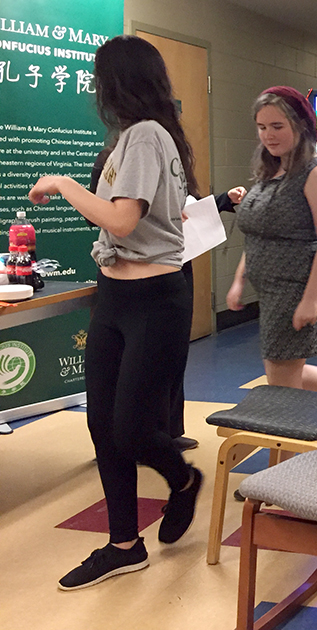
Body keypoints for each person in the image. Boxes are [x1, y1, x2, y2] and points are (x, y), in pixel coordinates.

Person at [29, 35, 204, 590]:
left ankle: (181, 479)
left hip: (154, 301)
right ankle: (124, 544)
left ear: (117, 82)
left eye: (100, 79)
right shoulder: (132, 138)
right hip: (115, 298)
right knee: (101, 424)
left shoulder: (149, 136)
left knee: (129, 427)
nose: (96, 91)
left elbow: (122, 220)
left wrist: (62, 183)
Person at [89, 149, 246, 451]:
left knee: (171, 354)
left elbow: (189, 207)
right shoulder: (111, 158)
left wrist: (224, 200)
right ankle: (124, 437)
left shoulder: (173, 157)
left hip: (174, 265)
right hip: (125, 270)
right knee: (125, 360)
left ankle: (168, 431)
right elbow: (93, 213)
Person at [227, 86, 317, 393]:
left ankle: (288, 440)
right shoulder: (271, 173)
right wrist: (239, 281)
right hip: (271, 293)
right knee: (285, 377)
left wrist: (310, 299)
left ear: (301, 126)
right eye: (262, 127)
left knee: (281, 383)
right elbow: (256, 236)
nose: (268, 135)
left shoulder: (316, 175)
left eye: (277, 126)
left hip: (296, 291)